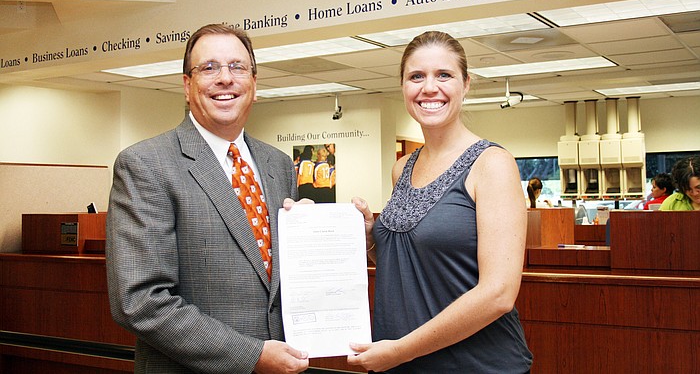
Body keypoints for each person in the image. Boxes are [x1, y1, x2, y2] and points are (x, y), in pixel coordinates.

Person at [105, 23, 309, 374]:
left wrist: (310, 235)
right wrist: (251, 356)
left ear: (254, 84)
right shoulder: (145, 164)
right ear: (187, 85)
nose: (225, 78)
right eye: (209, 67)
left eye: (237, 67)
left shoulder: (278, 165)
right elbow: (139, 301)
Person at [347, 31, 532, 373]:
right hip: (401, 361)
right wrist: (371, 236)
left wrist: (401, 350)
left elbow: (499, 294)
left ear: (466, 84)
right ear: (403, 86)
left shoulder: (492, 164)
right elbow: (417, 264)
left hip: (475, 366)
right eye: (416, 76)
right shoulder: (402, 167)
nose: (429, 88)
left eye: (444, 75)